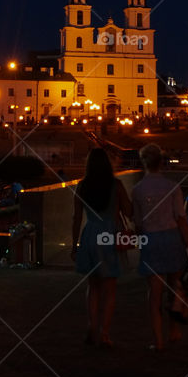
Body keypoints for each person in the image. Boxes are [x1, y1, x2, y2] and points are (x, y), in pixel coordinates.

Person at [132, 144, 188, 351]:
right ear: (161, 162)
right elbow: (180, 218)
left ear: (144, 163)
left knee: (154, 294)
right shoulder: (172, 187)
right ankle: (174, 330)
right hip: (172, 240)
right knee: (174, 289)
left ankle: (158, 339)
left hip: (151, 240)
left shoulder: (137, 190)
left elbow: (138, 223)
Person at [71, 148, 132, 347]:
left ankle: (92, 326)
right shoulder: (116, 185)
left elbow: (77, 217)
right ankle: (105, 333)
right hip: (110, 235)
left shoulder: (82, 186)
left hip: (90, 234)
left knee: (93, 286)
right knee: (110, 289)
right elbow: (129, 211)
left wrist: (74, 245)